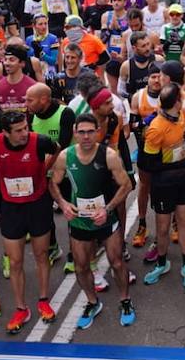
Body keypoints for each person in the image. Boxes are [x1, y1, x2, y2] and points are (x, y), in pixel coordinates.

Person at [50, 112, 134, 329]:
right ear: (75, 133)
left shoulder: (108, 155)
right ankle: (92, 301)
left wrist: (107, 209)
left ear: (98, 132)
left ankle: (125, 300)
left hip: (106, 220)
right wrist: (63, 204)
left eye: (90, 132)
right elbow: (53, 183)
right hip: (79, 221)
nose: (86, 136)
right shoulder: (65, 157)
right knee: (80, 267)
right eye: (81, 132)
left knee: (117, 262)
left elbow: (126, 185)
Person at [0, 110, 59, 333]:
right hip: (11, 208)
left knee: (41, 255)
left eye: (26, 127)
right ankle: (21, 308)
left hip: (37, 205)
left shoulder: (40, 142)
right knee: (16, 261)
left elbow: (56, 151)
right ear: (5, 132)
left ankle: (43, 299)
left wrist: (44, 170)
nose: (24, 133)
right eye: (18, 130)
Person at [141, 83, 185, 288]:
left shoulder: (181, 115)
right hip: (163, 184)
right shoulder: (156, 128)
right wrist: (179, 163)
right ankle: (161, 263)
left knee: (184, 219)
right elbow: (148, 164)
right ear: (176, 103)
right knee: (163, 226)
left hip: (182, 179)